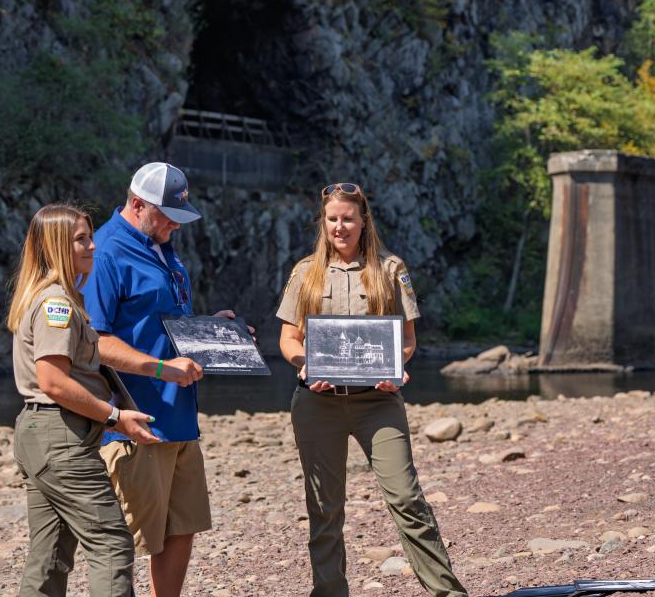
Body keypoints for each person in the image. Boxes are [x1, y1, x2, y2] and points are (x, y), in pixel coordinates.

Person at [276, 182, 468, 597]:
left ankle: (448, 593)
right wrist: (305, 365)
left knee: (407, 499)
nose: (340, 227)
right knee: (324, 508)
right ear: (322, 222)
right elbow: (288, 339)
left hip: (378, 402)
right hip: (316, 402)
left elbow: (407, 340)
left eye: (348, 219)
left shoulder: (391, 269)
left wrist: (395, 368)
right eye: (332, 219)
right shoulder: (304, 272)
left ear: (364, 221)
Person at [83, 162, 251, 597]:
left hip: (180, 418)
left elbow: (166, 327)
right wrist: (162, 370)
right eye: (168, 216)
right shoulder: (104, 252)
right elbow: (96, 341)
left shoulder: (165, 248)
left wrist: (214, 332)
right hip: (134, 422)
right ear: (138, 204)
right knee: (125, 542)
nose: (176, 225)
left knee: (183, 527)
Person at [7, 203, 161, 597]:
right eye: (81, 239)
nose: (93, 246)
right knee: (111, 542)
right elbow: (54, 382)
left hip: (42, 434)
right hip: (59, 437)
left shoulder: (58, 297)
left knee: (51, 555)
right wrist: (115, 417)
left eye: (90, 236)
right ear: (57, 245)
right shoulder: (55, 304)